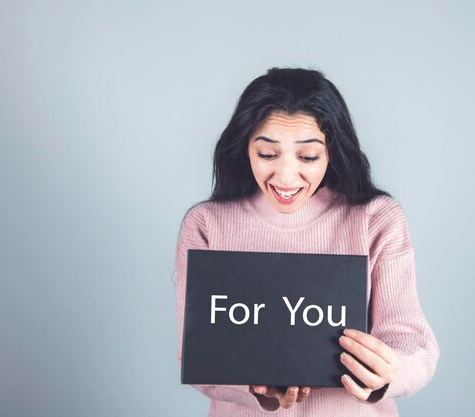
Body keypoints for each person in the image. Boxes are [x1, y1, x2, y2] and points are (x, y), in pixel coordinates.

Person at [173, 67, 439, 416]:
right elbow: (196, 356)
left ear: (332, 152)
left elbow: (414, 344)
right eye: (267, 154)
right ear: (244, 150)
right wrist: (256, 389)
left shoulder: (376, 218)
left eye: (308, 157)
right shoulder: (207, 224)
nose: (285, 177)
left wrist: (390, 372)